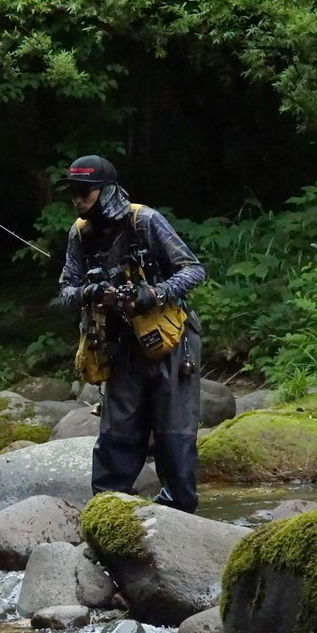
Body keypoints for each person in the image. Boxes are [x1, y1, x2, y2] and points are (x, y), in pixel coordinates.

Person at [56, 155, 206, 512]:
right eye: (73, 193)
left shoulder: (146, 221)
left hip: (171, 343)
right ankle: (108, 511)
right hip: (120, 348)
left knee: (173, 434)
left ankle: (178, 514)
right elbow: (65, 291)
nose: (77, 201)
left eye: (84, 193)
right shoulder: (80, 233)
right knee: (116, 435)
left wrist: (152, 294)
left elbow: (194, 270)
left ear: (106, 191)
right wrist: (90, 293)